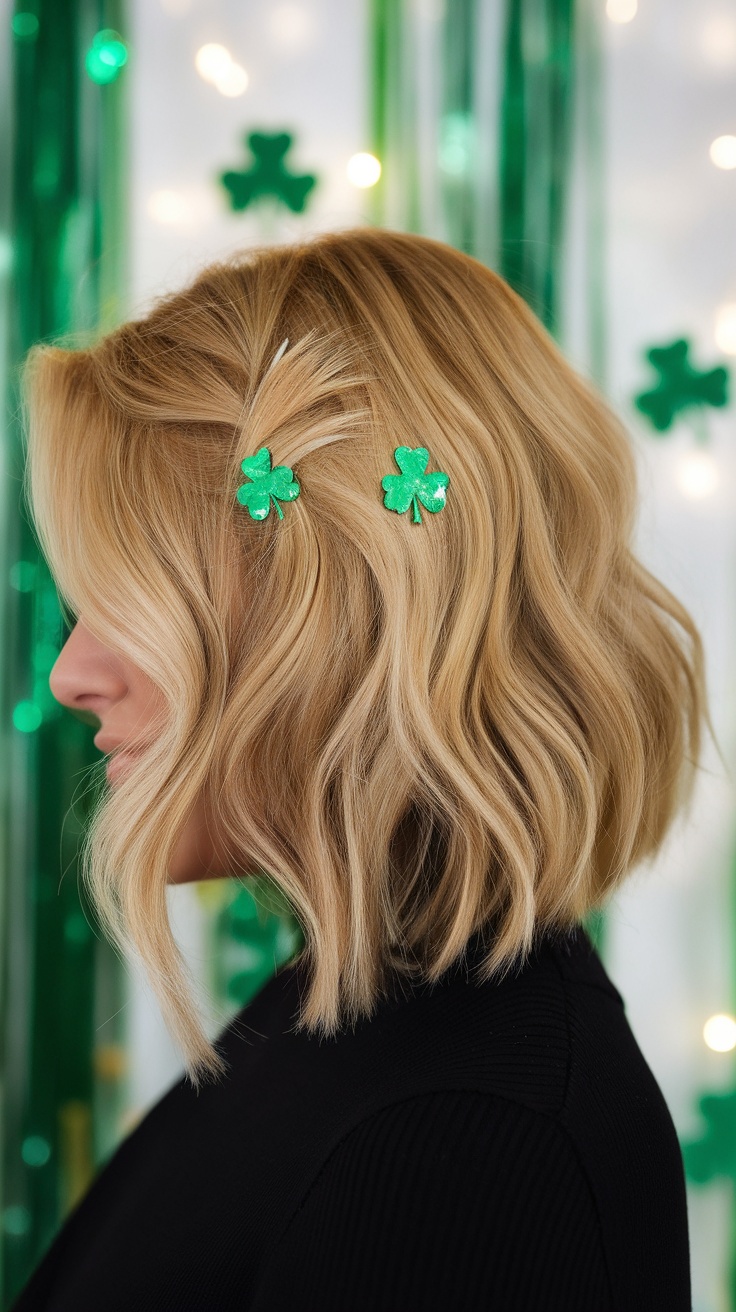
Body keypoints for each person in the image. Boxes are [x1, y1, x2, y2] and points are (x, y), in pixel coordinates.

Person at [12, 229, 708, 1310]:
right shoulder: (351, 1019)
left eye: (134, 591)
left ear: (343, 616)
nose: (70, 673)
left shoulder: (466, 1154)